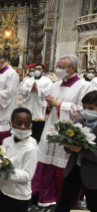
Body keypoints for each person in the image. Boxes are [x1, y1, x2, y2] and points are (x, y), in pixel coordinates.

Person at [32, 55, 92, 207]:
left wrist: (59, 104)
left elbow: (84, 111)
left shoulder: (85, 86)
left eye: (61, 67)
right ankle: (43, 195)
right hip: (51, 128)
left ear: (73, 68)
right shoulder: (55, 85)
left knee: (64, 168)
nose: (58, 70)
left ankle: (63, 199)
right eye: (57, 66)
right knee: (45, 162)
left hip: (69, 134)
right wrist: (50, 106)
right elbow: (50, 108)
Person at [54, 91, 97, 212]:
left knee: (93, 205)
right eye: (84, 108)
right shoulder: (78, 124)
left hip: (93, 174)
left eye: (91, 108)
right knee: (64, 202)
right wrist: (68, 144)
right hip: (74, 169)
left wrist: (81, 150)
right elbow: (67, 148)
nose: (86, 111)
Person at [0, 108, 39, 212]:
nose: (23, 127)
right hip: (1, 190)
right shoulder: (6, 142)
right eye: (19, 123)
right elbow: (0, 158)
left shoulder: (31, 148)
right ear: (11, 123)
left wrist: (5, 172)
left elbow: (27, 175)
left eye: (27, 124)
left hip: (18, 196)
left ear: (31, 125)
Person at [20, 64, 53, 143]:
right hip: (29, 106)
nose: (37, 71)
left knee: (39, 127)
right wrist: (30, 89)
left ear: (42, 70)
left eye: (39, 69)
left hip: (40, 107)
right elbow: (22, 90)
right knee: (28, 124)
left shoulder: (47, 81)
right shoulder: (27, 80)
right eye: (35, 69)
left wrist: (39, 90)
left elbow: (50, 91)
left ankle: (38, 141)